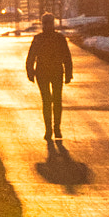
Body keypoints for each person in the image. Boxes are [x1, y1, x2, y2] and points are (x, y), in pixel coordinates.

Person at [26, 11, 74, 146]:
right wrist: (30, 72)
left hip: (51, 72)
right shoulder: (55, 38)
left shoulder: (50, 39)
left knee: (54, 100)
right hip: (47, 73)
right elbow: (31, 57)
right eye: (46, 23)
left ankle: (55, 128)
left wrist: (69, 73)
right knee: (49, 101)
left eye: (49, 23)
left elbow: (66, 57)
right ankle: (50, 129)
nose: (47, 26)